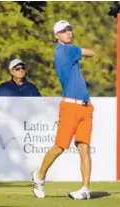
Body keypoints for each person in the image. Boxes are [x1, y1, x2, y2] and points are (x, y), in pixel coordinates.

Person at [32, 20, 95, 200]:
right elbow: (90, 52)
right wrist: (81, 50)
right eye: (63, 31)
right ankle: (40, 176)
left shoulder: (67, 49)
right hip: (70, 107)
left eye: (69, 29)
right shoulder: (68, 50)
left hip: (86, 107)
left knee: (84, 148)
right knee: (59, 147)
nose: (68, 32)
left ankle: (85, 189)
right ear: (56, 35)